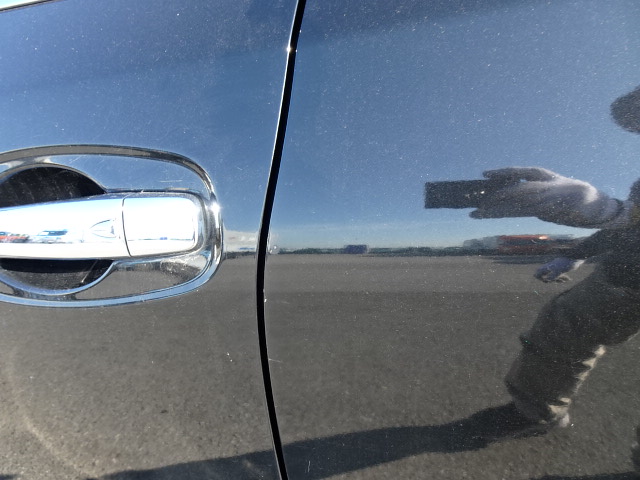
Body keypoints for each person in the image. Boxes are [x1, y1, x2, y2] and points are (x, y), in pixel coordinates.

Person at [465, 86, 640, 473]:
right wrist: (578, 249)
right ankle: (535, 413)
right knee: (562, 327)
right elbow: (631, 224)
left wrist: (611, 212)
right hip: (626, 275)